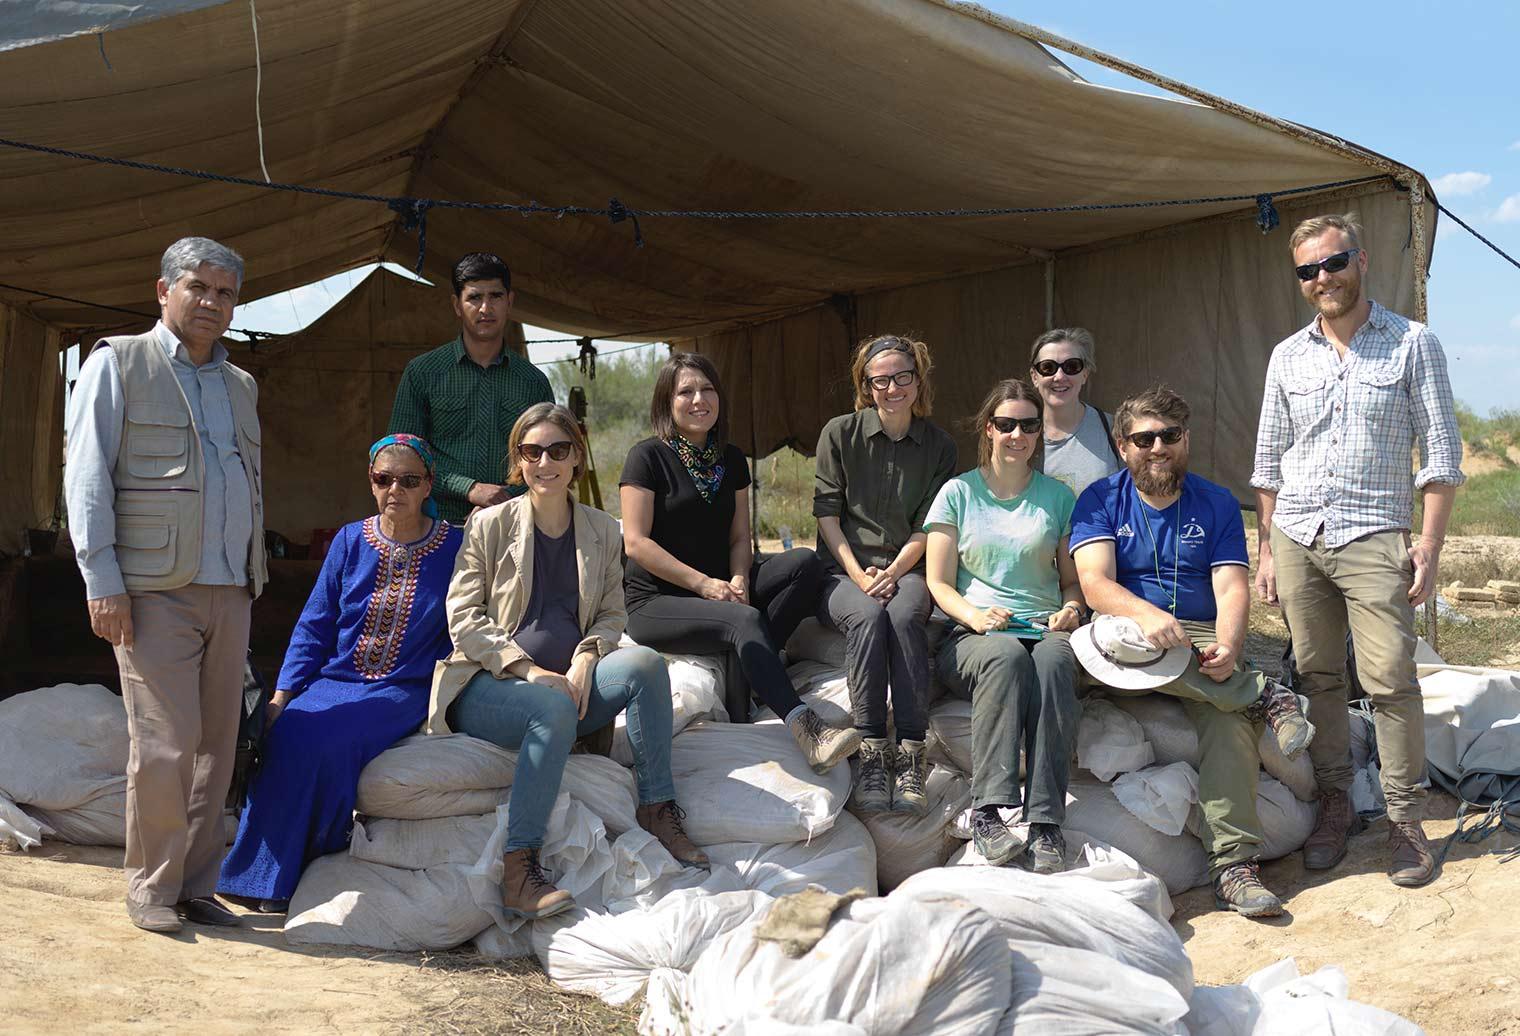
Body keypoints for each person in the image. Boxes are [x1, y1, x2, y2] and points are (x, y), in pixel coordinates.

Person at [1251, 213, 1464, 888]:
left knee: (1391, 679)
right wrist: (1265, 548)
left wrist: (1427, 542)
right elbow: (1268, 462)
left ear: (1361, 260)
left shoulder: (1411, 343)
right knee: (1317, 678)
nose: (1323, 279)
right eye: (1308, 270)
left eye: (1333, 263)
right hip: (1298, 534)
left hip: (1374, 533)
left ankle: (1404, 819)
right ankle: (1337, 802)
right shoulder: (1288, 355)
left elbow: (1443, 453)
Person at [429, 404, 705, 920]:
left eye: (558, 450)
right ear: (518, 461)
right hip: (492, 685)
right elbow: (463, 618)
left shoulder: (602, 530)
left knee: (645, 664)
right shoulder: (489, 525)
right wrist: (530, 672)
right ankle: (520, 866)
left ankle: (657, 806)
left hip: (570, 685)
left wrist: (584, 661)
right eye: (532, 452)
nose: (545, 462)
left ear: (576, 455)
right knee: (550, 708)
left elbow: (610, 613)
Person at [64, 237, 265, 934]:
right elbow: (87, 476)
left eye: (225, 293)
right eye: (199, 288)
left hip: (229, 588)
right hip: (152, 589)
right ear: (164, 291)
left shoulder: (240, 385)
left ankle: (195, 886)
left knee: (219, 743)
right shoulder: (118, 364)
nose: (212, 302)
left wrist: (250, 575)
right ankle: (151, 887)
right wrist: (103, 580)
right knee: (165, 744)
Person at [1071, 385, 1313, 918]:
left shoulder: (1218, 502)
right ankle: (1265, 694)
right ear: (1121, 444)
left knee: (1229, 724)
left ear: (1187, 439)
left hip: (1198, 635)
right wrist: (1146, 614)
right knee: (1113, 644)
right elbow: (1093, 583)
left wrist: (1228, 644)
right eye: (1144, 438)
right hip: (1126, 634)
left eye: (1170, 436)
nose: (1157, 447)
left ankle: (1234, 866)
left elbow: (1230, 587)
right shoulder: (1100, 500)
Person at [217, 434, 462, 912]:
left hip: (403, 689)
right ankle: (253, 877)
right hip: (337, 680)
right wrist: (282, 696)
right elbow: (314, 624)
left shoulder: (454, 545)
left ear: (428, 484)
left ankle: (298, 868)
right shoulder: (350, 540)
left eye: (410, 480)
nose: (396, 490)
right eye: (384, 479)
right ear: (370, 483)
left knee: (332, 744)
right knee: (287, 734)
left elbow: (466, 623)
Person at [620, 354, 860, 772]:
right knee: (743, 621)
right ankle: (805, 727)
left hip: (719, 587)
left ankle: (749, 672)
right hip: (658, 600)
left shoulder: (730, 459)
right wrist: (704, 586)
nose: (699, 399)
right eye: (686, 391)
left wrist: (738, 576)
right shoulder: (647, 458)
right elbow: (636, 543)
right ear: (666, 402)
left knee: (804, 563)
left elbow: (738, 537)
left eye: (707, 389)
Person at [923, 379, 1085, 874]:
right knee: (1006, 655)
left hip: (1043, 628)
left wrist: (1072, 610)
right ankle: (989, 812)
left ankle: (1045, 824)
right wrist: (974, 616)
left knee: (1058, 662)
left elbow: (1072, 582)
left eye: (1029, 425)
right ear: (989, 429)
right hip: (973, 636)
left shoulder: (1058, 497)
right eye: (1007, 424)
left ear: (1040, 432)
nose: (1018, 434)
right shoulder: (957, 493)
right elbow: (937, 581)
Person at [813, 334, 957, 816]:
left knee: (902, 618)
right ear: (866, 385)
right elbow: (827, 515)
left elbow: (929, 526)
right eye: (881, 380)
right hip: (843, 570)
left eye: (903, 377)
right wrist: (858, 575)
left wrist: (894, 571)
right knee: (869, 620)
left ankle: (911, 750)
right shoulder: (839, 433)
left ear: (918, 381)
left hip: (909, 567)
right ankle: (873, 747)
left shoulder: (939, 446)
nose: (893, 388)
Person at [387, 252, 554, 523]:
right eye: (474, 298)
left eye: (495, 296)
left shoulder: (533, 382)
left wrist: (504, 500)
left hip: (516, 525)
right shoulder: (423, 372)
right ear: (456, 305)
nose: (485, 308)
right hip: (436, 527)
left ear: (509, 302)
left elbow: (549, 461)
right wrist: (470, 489)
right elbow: (399, 458)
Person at [1028, 327, 1122, 498]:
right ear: (1035, 376)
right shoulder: (1019, 436)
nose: (1059, 376)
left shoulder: (1114, 430)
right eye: (1048, 367)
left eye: (1071, 366)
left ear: (1085, 374)